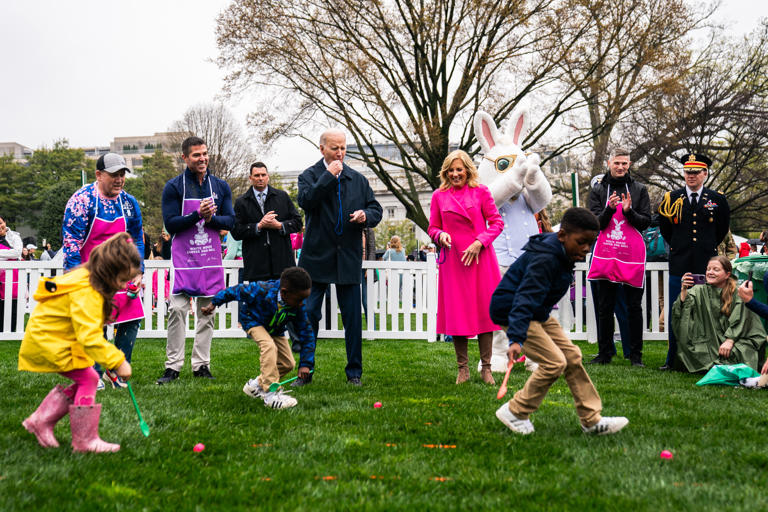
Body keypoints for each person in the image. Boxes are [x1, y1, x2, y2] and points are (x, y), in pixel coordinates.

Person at [490, 207, 629, 436]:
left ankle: (591, 420)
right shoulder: (545, 259)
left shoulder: (561, 251)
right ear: (562, 235)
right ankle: (515, 411)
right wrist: (516, 338)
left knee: (572, 356)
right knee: (554, 362)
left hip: (537, 312)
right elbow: (524, 298)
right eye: (581, 242)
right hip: (513, 310)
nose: (586, 248)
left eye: (590, 243)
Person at [18, 232, 139, 452]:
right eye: (121, 279)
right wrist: (117, 361)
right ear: (109, 270)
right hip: (52, 340)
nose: (122, 285)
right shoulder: (87, 290)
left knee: (89, 378)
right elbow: (90, 337)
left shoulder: (87, 279)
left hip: (55, 337)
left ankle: (41, 420)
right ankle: (84, 440)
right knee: (88, 379)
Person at [297, 128, 382, 386]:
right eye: (335, 148)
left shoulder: (357, 179)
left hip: (347, 258)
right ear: (322, 149)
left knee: (353, 319)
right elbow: (306, 201)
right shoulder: (308, 176)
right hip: (316, 257)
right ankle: (306, 369)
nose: (340, 153)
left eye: (343, 147)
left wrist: (365, 216)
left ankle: (354, 372)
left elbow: (375, 209)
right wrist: (327, 177)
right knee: (309, 313)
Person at [62, 152, 145, 390]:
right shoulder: (81, 201)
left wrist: (138, 270)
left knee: (131, 320)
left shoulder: (129, 203)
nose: (119, 180)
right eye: (113, 175)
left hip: (121, 276)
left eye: (122, 175)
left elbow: (137, 239)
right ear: (99, 175)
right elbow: (71, 245)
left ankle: (118, 369)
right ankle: (95, 373)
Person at [157, 136, 235, 384]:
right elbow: (170, 224)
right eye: (196, 155)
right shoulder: (174, 187)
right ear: (185, 158)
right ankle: (173, 367)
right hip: (184, 259)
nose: (202, 159)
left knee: (207, 313)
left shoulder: (220, 187)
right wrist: (196, 215)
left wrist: (212, 219)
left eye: (204, 154)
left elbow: (231, 221)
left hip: (210, 259)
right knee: (177, 310)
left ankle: (201, 365)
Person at [428, 149, 504, 384]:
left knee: (484, 313)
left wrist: (480, 242)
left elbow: (497, 223)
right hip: (454, 261)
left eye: (459, 169)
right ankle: (463, 368)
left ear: (467, 170)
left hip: (481, 259)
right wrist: (440, 235)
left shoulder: (481, 192)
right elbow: (432, 227)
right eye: (450, 170)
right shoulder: (439, 196)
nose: (455, 174)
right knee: (457, 313)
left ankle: (487, 368)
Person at [202, 267, 315, 409]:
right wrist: (214, 303)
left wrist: (306, 364)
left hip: (275, 328)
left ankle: (255, 385)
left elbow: (306, 332)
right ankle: (270, 395)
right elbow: (235, 291)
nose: (301, 303)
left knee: (288, 364)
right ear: (284, 293)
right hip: (253, 321)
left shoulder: (298, 306)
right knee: (268, 346)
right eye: (299, 299)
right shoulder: (261, 290)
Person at [658, 153, 730, 370]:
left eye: (696, 172)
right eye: (688, 172)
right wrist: (681, 246)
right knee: (676, 310)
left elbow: (720, 230)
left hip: (706, 265)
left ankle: (704, 357)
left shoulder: (717, 199)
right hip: (680, 264)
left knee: (705, 312)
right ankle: (673, 359)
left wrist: (705, 248)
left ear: (705, 174)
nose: (691, 176)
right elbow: (666, 230)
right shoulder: (671, 198)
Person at [587, 147, 651, 366]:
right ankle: (605, 354)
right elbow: (593, 224)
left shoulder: (639, 189)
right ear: (609, 163)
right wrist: (608, 210)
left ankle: (636, 356)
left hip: (631, 254)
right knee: (605, 306)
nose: (621, 167)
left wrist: (628, 212)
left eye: (625, 163)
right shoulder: (598, 190)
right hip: (605, 253)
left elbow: (645, 222)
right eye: (617, 163)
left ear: (629, 165)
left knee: (634, 306)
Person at [672, 255, 765, 373]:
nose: (710, 272)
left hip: (735, 338)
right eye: (708, 269)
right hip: (709, 341)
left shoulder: (738, 292)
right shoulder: (698, 290)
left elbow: (744, 320)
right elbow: (682, 315)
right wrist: (683, 290)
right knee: (696, 350)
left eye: (716, 269)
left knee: (743, 351)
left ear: (727, 274)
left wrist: (730, 339)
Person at [231, 162, 303, 282]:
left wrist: (279, 225)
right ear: (250, 178)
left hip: (283, 265)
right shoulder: (241, 202)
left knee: (282, 300)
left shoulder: (282, 196)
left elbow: (298, 222)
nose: (260, 178)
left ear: (268, 176)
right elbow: (236, 232)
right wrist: (259, 226)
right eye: (257, 175)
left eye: (263, 175)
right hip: (256, 266)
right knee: (258, 300)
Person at [0, 215, 22, 331]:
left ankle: (12, 328)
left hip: (11, 275)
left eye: (0, 223)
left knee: (12, 301)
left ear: (5, 222)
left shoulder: (14, 236)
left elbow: (17, 252)